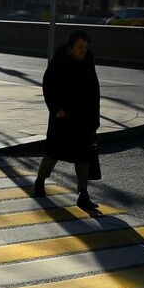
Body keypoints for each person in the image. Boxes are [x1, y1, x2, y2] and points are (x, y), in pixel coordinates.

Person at [33, 30, 100, 209]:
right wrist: (56, 109)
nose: (83, 50)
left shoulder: (88, 60)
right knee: (54, 152)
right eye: (80, 46)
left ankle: (83, 194)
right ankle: (40, 181)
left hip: (83, 117)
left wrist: (95, 117)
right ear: (72, 46)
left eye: (85, 47)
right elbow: (48, 85)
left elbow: (94, 89)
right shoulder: (60, 60)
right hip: (63, 117)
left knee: (83, 156)